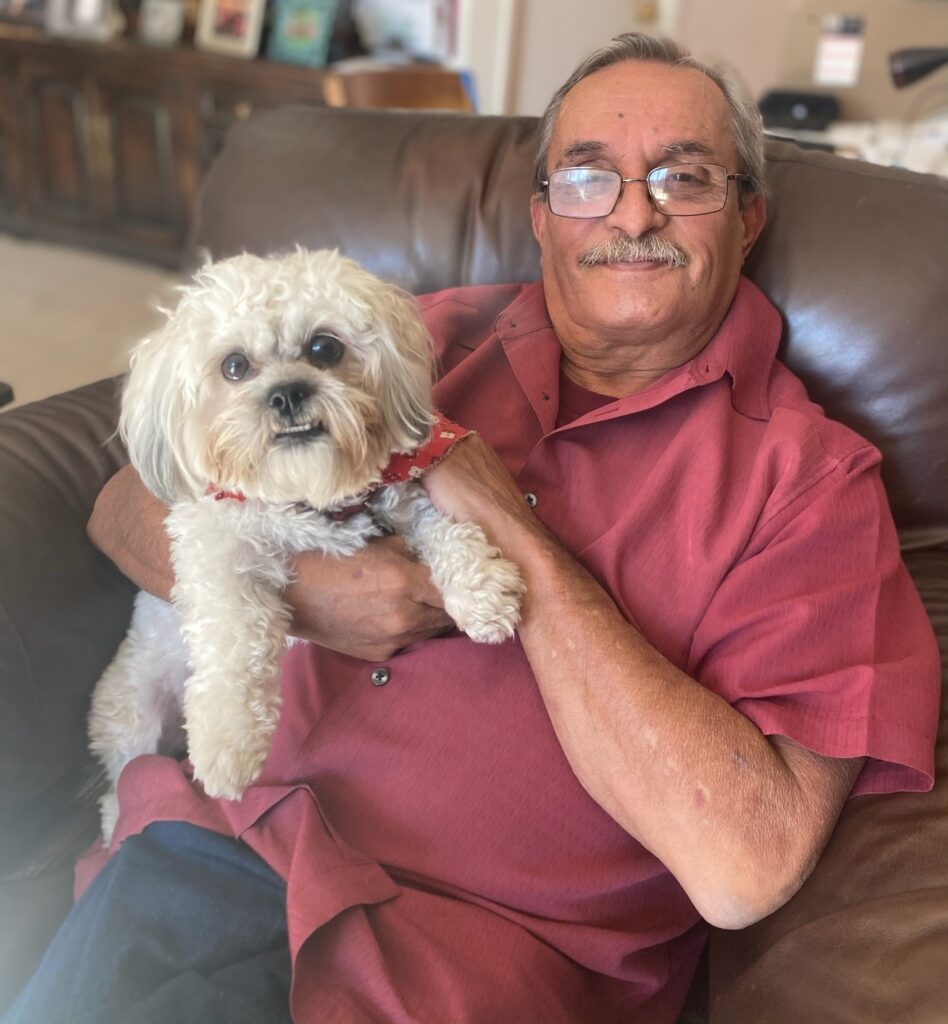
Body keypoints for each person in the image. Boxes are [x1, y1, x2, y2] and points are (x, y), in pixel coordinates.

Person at [4, 32, 939, 1024]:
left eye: (685, 175)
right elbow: (123, 506)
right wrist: (313, 596)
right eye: (588, 175)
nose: (632, 211)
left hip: (471, 960)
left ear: (747, 217)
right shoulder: (412, 335)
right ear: (541, 215)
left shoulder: (809, 479)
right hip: (211, 848)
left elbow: (744, 864)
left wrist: (507, 525)